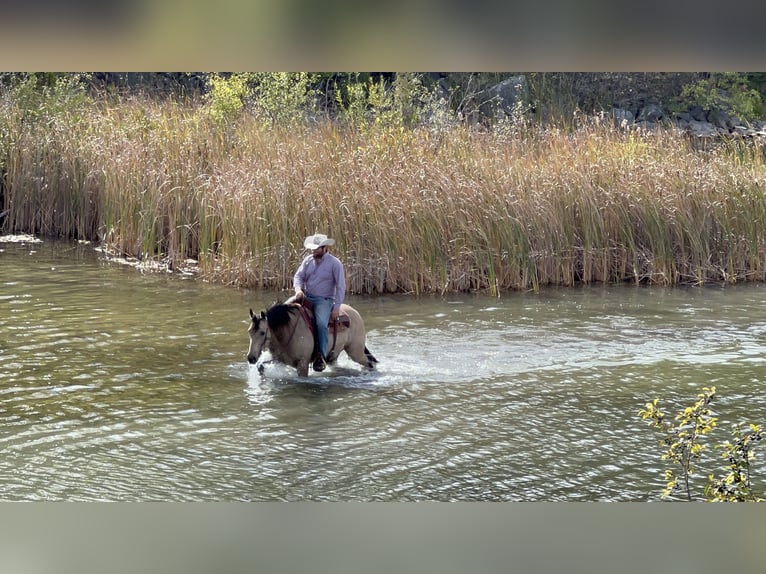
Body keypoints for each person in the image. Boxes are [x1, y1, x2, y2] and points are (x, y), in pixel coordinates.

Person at [293, 233, 346, 372]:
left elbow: (341, 287)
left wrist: (337, 307)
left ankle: (320, 357)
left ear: (325, 248)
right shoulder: (307, 261)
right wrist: (298, 290)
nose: (314, 251)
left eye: (317, 249)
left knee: (321, 324)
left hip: (324, 300)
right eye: (313, 249)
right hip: (306, 296)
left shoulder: (335, 264)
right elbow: (298, 276)